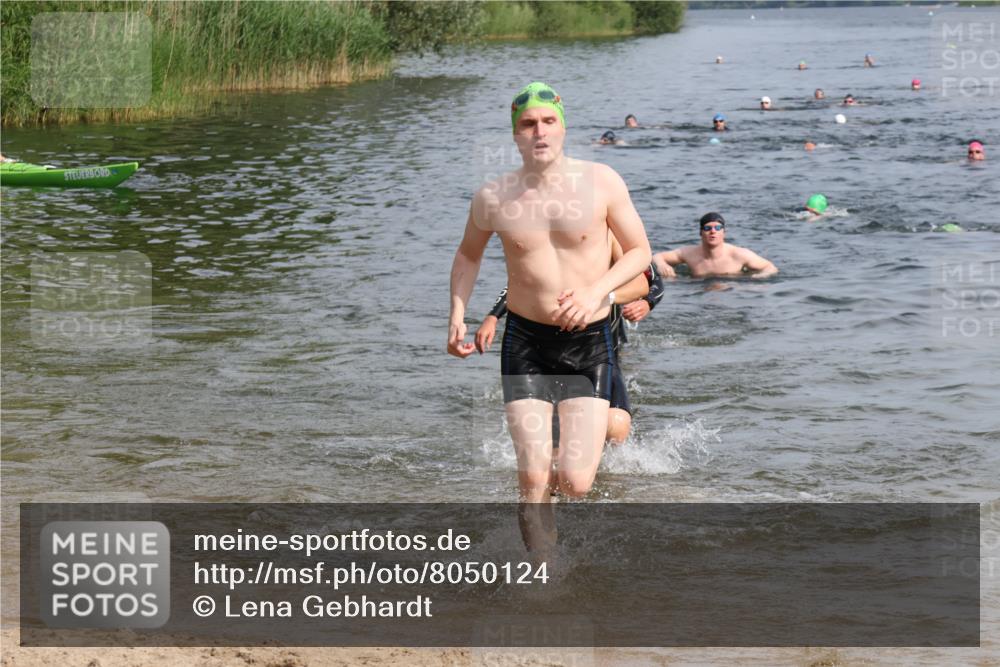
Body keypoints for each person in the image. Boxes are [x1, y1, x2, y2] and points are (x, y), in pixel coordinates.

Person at [447, 82, 651, 522]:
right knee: (532, 478)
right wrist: (458, 315)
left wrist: (597, 291)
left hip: (588, 341)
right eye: (528, 124)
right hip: (525, 342)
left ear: (562, 126)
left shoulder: (602, 181)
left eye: (547, 122)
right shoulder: (493, 196)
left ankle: (554, 509)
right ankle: (539, 579)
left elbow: (640, 253)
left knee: (576, 484)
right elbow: (468, 254)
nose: (538, 132)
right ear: (515, 135)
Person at [476, 242, 664, 446]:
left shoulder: (616, 239)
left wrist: (646, 302)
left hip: (599, 344)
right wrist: (493, 317)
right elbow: (520, 284)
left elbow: (652, 280)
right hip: (548, 346)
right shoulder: (554, 248)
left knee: (616, 427)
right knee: (555, 439)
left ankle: (602, 469)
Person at [653, 213, 778, 280]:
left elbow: (770, 267)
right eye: (707, 228)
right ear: (700, 233)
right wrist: (662, 265)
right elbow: (657, 256)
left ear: (724, 232)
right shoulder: (689, 253)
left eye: (717, 228)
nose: (713, 231)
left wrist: (759, 276)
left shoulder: (739, 254)